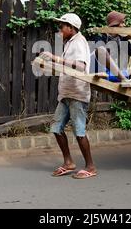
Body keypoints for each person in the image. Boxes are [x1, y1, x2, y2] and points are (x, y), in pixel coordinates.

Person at [39, 13, 97, 180]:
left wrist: (55, 58)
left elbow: (80, 66)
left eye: (62, 26)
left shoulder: (79, 42)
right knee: (56, 128)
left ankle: (91, 167)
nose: (60, 29)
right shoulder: (70, 43)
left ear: (71, 28)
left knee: (79, 131)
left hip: (77, 94)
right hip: (66, 93)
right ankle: (69, 163)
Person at [92, 11, 131, 88]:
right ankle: (124, 80)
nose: (124, 25)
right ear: (114, 24)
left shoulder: (121, 39)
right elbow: (101, 54)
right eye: (122, 23)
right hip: (96, 70)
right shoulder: (100, 36)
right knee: (101, 50)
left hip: (110, 73)